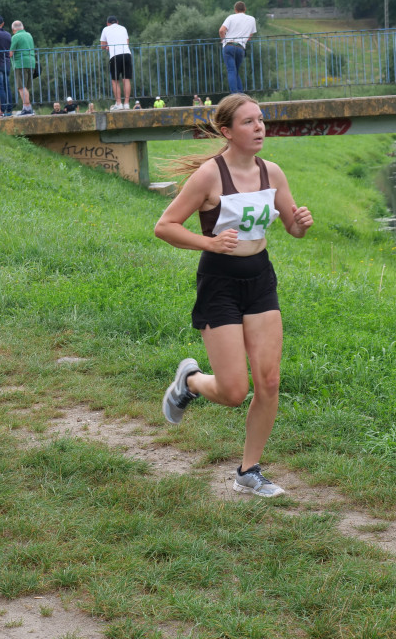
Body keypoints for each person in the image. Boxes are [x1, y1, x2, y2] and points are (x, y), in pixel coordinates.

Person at [154, 93, 314, 497]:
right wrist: (209, 244)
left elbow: (292, 228)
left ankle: (249, 471)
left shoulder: (272, 173)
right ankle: (189, 381)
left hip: (260, 278)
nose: (259, 127)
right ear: (227, 132)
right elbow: (166, 226)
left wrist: (300, 224)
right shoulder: (210, 175)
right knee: (232, 392)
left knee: (269, 381)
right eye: (248, 122)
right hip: (220, 282)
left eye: (260, 120)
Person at [219, 1, 257, 94]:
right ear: (245, 9)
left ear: (235, 10)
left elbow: (221, 30)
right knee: (235, 71)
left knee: (231, 70)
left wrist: (223, 39)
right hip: (240, 48)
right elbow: (250, 36)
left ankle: (234, 95)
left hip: (229, 46)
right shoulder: (251, 19)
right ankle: (241, 94)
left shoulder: (231, 17)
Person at [100, 15, 133, 111]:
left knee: (115, 80)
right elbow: (127, 43)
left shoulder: (106, 29)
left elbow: (102, 46)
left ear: (107, 23)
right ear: (117, 22)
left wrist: (107, 46)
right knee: (126, 79)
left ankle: (119, 103)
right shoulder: (123, 28)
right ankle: (126, 104)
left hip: (115, 55)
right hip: (127, 54)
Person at [10, 20, 36, 116]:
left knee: (21, 87)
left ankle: (27, 108)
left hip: (20, 63)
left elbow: (10, 53)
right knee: (26, 87)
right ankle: (27, 107)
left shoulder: (15, 37)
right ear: (23, 27)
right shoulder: (29, 35)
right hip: (31, 62)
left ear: (13, 30)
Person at [0, 15, 14, 115]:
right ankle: (9, 108)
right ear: (3, 24)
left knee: (0, 87)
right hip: (7, 63)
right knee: (7, 86)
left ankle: (2, 109)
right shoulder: (8, 35)